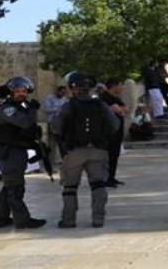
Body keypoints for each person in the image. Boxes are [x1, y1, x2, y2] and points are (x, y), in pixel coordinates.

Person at [56, 72, 120, 228]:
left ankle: (69, 220)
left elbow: (56, 126)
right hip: (98, 150)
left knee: (70, 188)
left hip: (74, 151)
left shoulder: (68, 106)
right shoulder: (101, 105)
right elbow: (115, 125)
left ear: (72, 88)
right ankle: (98, 219)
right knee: (98, 185)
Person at [0, 77, 47, 229]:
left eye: (24, 91)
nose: (22, 94)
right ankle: (23, 220)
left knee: (9, 186)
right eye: (18, 91)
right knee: (15, 187)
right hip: (10, 152)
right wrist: (32, 110)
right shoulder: (8, 108)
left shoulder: (20, 106)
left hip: (16, 150)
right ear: (10, 93)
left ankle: (1, 217)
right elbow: (25, 123)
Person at [100, 78, 131, 187]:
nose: (122, 88)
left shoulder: (116, 98)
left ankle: (112, 177)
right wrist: (119, 109)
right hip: (108, 132)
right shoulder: (105, 97)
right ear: (114, 86)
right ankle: (106, 178)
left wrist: (120, 109)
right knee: (108, 155)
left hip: (117, 131)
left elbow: (126, 109)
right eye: (120, 85)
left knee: (115, 155)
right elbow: (116, 110)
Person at [42, 85, 68, 164]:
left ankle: (64, 160)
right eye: (61, 92)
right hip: (52, 123)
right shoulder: (49, 98)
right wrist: (58, 109)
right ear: (57, 91)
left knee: (62, 143)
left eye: (64, 93)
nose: (62, 94)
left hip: (62, 124)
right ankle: (51, 161)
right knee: (52, 144)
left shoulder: (65, 99)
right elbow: (46, 109)